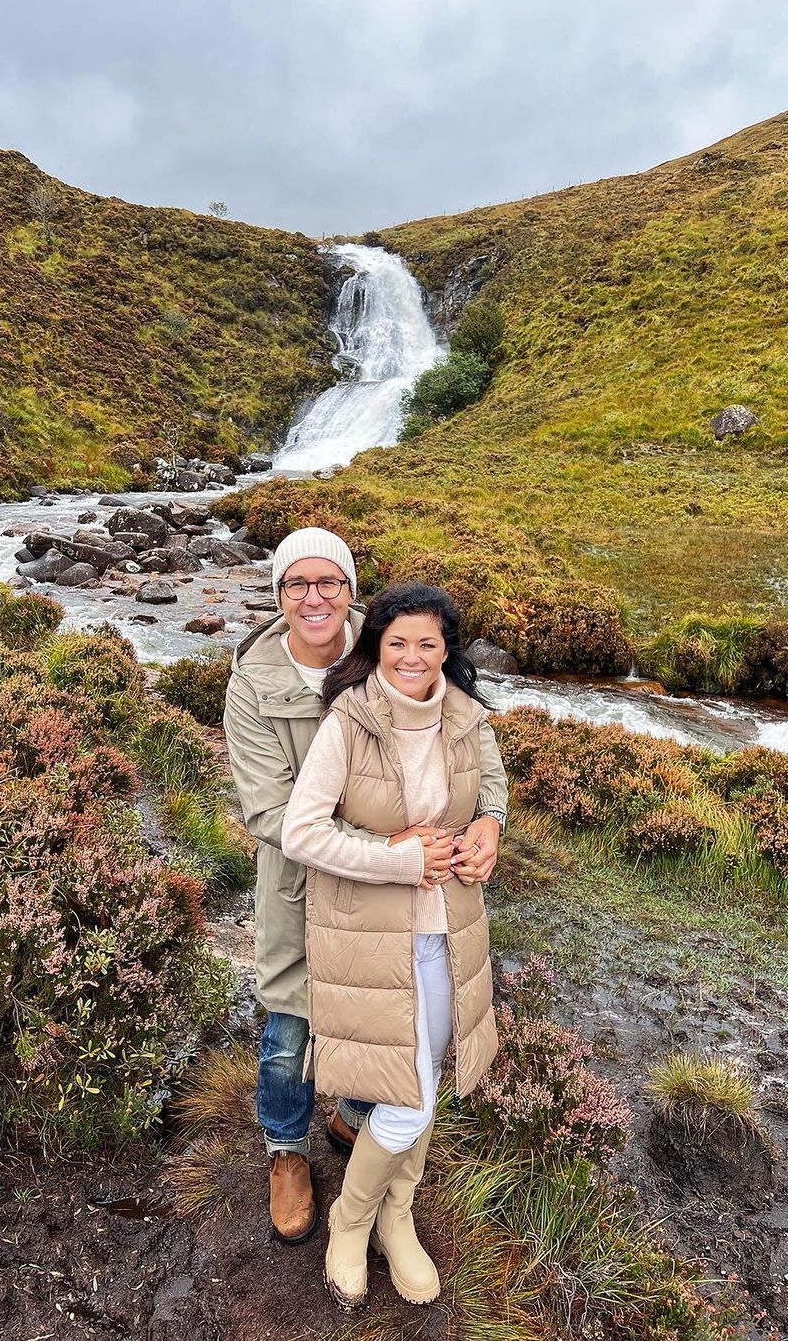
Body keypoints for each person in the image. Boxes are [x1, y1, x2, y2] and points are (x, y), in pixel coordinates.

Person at [224, 533, 508, 1247]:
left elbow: (474, 743)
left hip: (401, 886)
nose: (314, 597)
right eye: (297, 584)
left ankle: (354, 1112)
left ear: (351, 590)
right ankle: (286, 1151)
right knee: (291, 1022)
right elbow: (270, 813)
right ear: (278, 594)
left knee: (387, 1010)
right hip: (301, 883)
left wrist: (489, 823)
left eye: (329, 581)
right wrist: (387, 842)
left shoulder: (394, 644)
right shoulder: (253, 683)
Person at [280, 581, 507, 1310]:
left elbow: (493, 788)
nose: (412, 656)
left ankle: (396, 1218)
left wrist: (487, 833)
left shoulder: (469, 717)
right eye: (397, 642)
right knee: (406, 1097)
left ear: (448, 651)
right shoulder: (348, 721)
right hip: (373, 939)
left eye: (428, 643)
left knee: (427, 1079)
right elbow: (302, 832)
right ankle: (352, 1221)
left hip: (451, 931)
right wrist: (399, 858)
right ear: (376, 644)